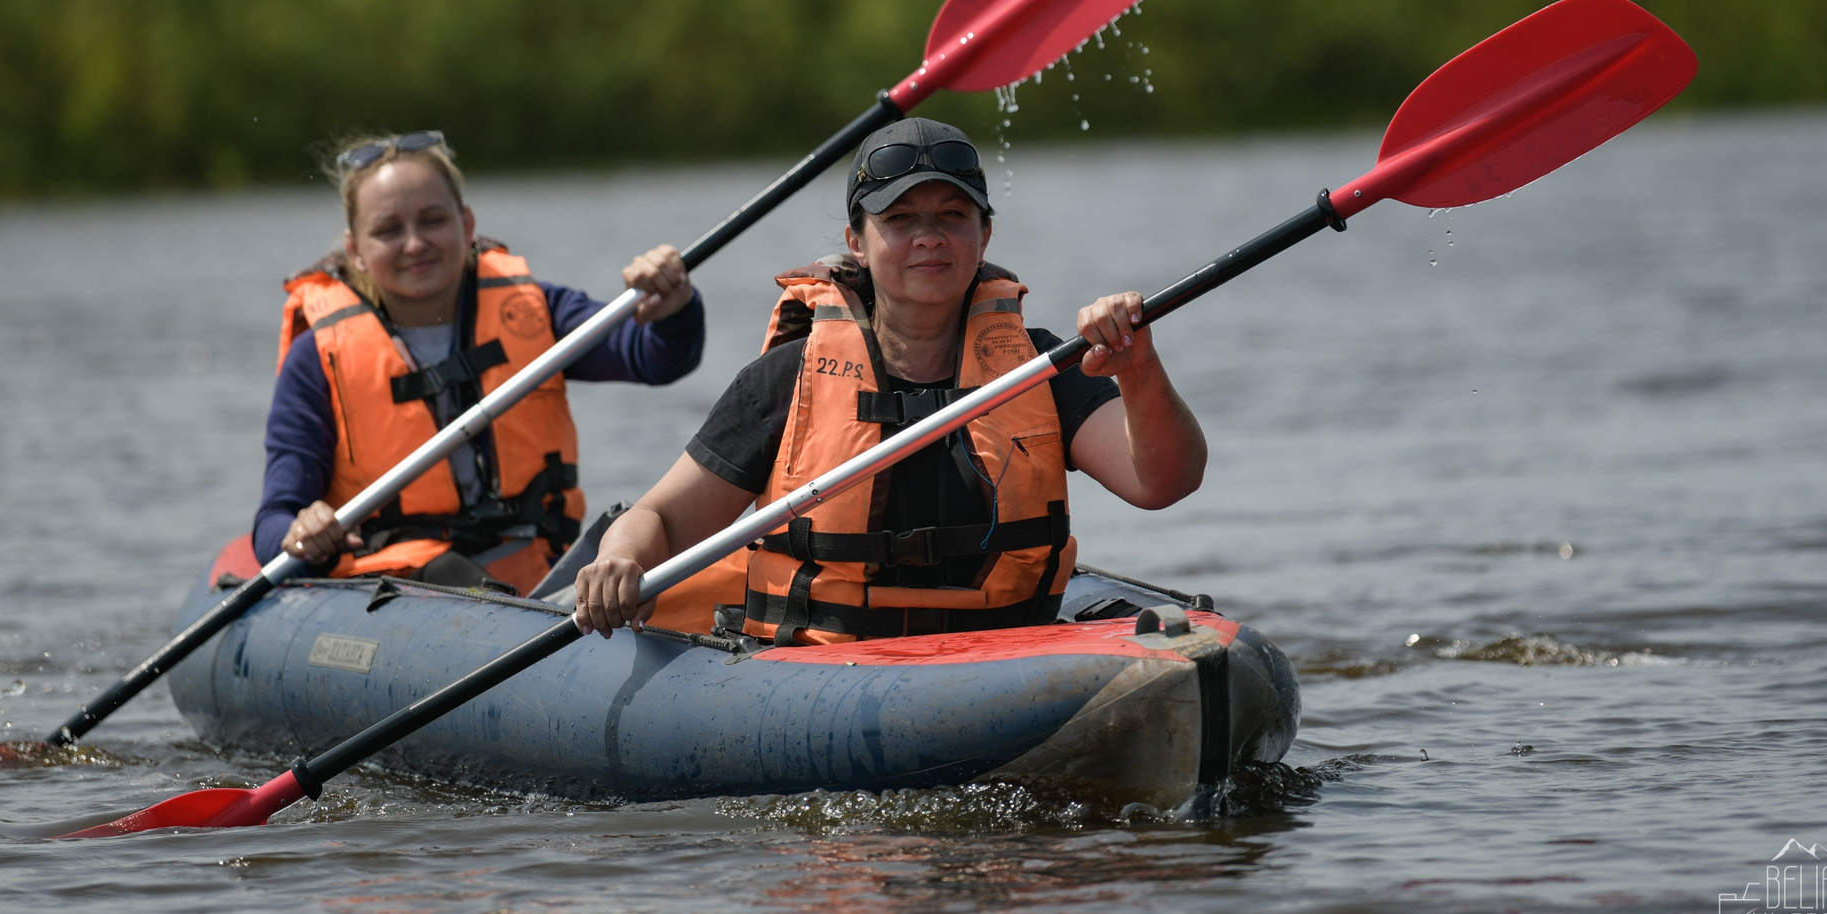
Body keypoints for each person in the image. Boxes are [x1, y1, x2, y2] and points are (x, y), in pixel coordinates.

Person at [573, 117, 1205, 643]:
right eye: (900, 220)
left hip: (1004, 655)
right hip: (824, 676)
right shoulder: (785, 381)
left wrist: (1138, 367)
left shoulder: (1038, 367)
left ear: (984, 236)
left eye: (953, 216)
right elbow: (660, 518)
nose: (929, 238)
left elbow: (1163, 482)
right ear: (857, 240)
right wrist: (620, 558)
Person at [256, 130, 705, 596]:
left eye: (432, 220)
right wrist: (303, 530)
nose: (415, 243)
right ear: (356, 251)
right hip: (402, 584)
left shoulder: (532, 310)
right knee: (451, 574)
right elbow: (273, 524)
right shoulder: (317, 357)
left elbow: (657, 357)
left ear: (466, 225)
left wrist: (673, 308)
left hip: (536, 568)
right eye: (389, 230)